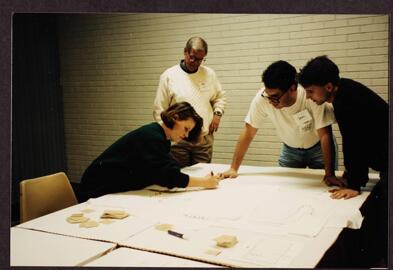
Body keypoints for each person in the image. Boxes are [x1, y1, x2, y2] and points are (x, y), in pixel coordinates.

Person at [298, 55, 388, 265]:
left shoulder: (348, 100)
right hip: (386, 157)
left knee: (382, 216)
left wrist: (355, 184)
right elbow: (356, 140)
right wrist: (351, 175)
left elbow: (356, 141)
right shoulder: (345, 91)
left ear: (328, 86)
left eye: (311, 91)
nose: (309, 97)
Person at [220, 60, 342, 187]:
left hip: (318, 149)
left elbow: (325, 135)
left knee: (325, 187)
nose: (271, 101)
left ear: (292, 88)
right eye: (268, 95)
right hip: (290, 151)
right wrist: (233, 168)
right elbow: (249, 131)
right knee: (284, 187)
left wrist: (329, 174)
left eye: (275, 96)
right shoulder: (263, 98)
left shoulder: (310, 96)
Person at [77, 102, 220, 203]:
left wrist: (203, 181)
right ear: (175, 118)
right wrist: (204, 182)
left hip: (107, 187)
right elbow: (169, 177)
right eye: (186, 129)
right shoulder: (152, 137)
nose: (186, 135)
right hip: (96, 191)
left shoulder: (160, 137)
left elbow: (170, 168)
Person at [153, 36, 226, 168]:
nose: (194, 61)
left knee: (203, 177)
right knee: (179, 176)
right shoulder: (169, 76)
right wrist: (169, 135)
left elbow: (220, 97)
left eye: (199, 59)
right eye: (191, 56)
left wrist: (217, 114)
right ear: (185, 52)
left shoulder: (209, 74)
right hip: (179, 141)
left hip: (203, 138)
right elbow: (159, 109)